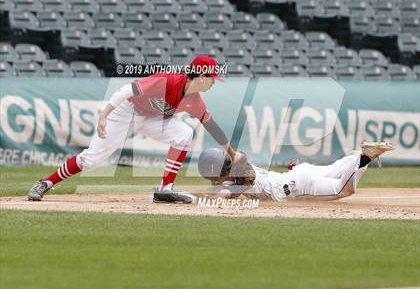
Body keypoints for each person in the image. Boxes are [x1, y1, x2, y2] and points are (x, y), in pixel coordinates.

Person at [27, 56, 242, 203]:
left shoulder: (195, 101)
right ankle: (45, 182)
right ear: (201, 77)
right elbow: (126, 90)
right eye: (212, 78)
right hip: (126, 112)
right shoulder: (168, 81)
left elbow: (212, 127)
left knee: (184, 134)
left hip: (151, 118)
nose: (214, 83)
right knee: (90, 161)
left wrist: (233, 155)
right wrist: (104, 115)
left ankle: (165, 190)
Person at [197, 141, 395, 201]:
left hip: (297, 186)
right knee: (334, 168)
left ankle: (364, 157)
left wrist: (210, 197)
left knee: (341, 189)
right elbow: (239, 161)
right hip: (296, 174)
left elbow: (225, 192)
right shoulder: (238, 162)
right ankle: (357, 156)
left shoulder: (231, 182)